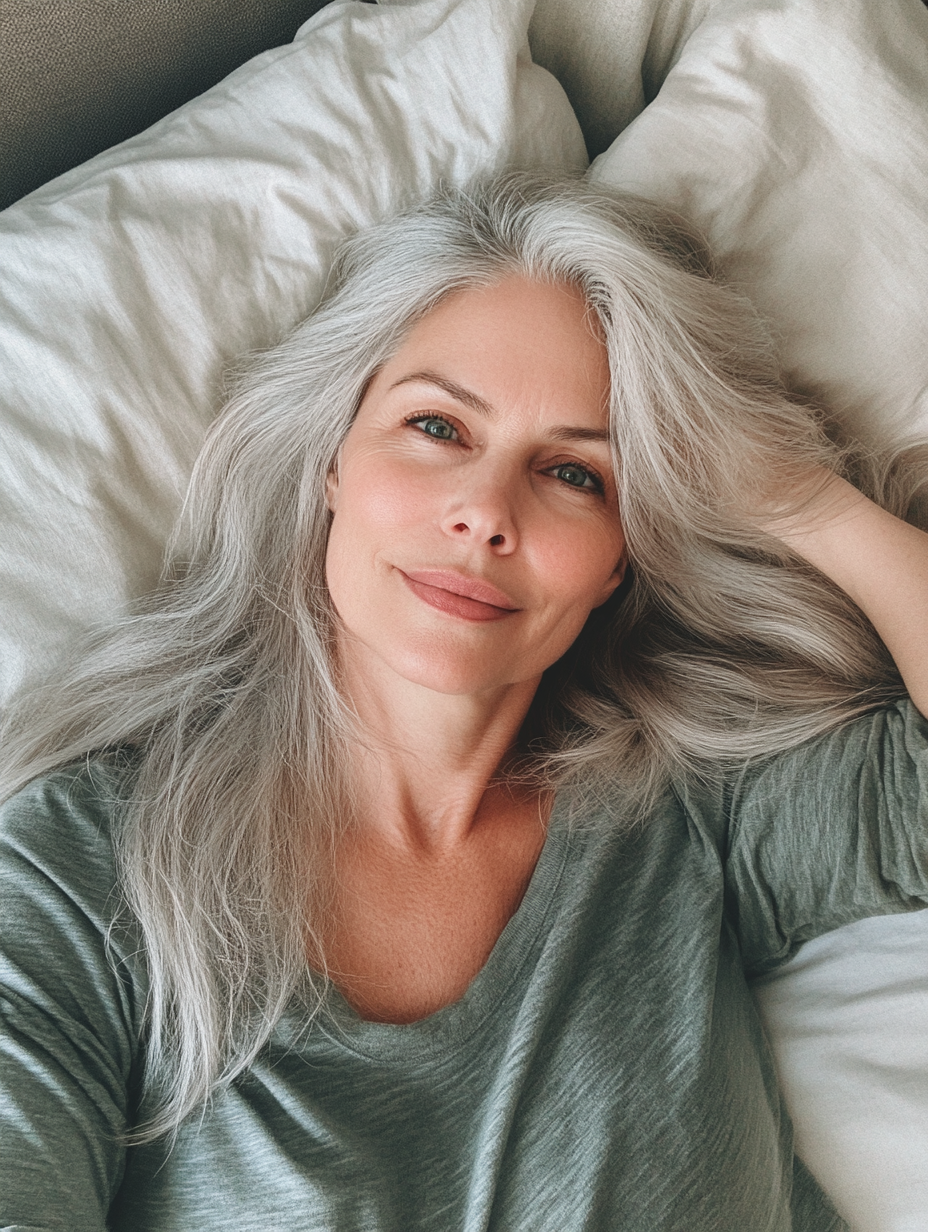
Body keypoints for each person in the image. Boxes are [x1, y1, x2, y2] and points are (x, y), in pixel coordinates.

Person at [2, 173, 927, 1232]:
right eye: (438, 426)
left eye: (577, 475)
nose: (485, 513)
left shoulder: (688, 814)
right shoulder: (84, 869)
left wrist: (798, 501)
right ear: (332, 460)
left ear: (619, 561)